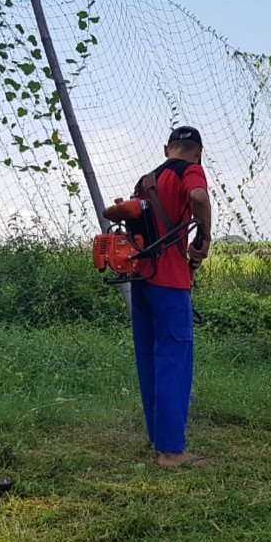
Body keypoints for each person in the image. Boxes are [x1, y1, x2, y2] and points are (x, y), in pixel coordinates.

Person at [107, 126, 213, 469]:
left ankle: (159, 438)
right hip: (170, 283)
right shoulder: (190, 170)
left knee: (150, 362)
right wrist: (205, 237)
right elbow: (199, 198)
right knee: (173, 363)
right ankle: (171, 452)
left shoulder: (146, 180)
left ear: (167, 148)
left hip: (142, 280)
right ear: (198, 152)